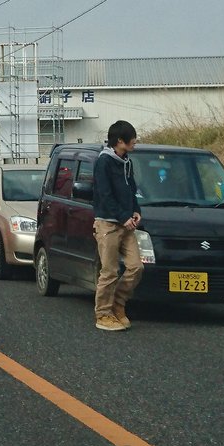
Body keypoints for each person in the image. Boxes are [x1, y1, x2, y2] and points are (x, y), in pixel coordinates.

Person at [92, 120, 143, 331]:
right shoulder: (104, 162)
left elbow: (131, 188)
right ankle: (103, 314)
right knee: (110, 271)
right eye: (132, 139)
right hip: (108, 224)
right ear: (120, 141)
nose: (135, 142)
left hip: (126, 223)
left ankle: (118, 304)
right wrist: (123, 217)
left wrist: (136, 210)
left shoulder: (126, 161)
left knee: (136, 267)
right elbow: (105, 194)